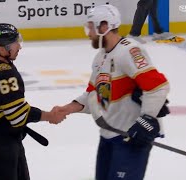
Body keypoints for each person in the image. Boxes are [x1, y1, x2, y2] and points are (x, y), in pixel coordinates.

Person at [54, 4, 170, 180]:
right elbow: (94, 95)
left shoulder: (130, 51)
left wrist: (146, 121)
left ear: (105, 26)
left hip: (130, 138)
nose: (89, 33)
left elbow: (158, 87)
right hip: (108, 135)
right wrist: (68, 108)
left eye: (91, 27)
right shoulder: (101, 57)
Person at [0, 23, 65, 179]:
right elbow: (18, 115)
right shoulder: (4, 73)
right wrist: (49, 116)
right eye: (15, 43)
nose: (19, 47)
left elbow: (0, 107)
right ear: (2, 49)